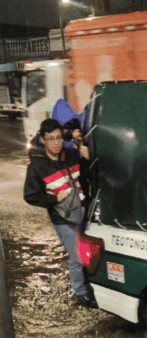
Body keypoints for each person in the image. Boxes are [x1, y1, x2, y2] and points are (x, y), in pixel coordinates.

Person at [23, 119, 97, 309]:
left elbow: (87, 171)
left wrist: (82, 150)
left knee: (87, 250)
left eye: (58, 138)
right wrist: (54, 200)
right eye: (50, 139)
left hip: (82, 210)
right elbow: (30, 196)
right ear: (43, 140)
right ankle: (81, 293)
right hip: (62, 218)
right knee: (76, 256)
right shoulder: (37, 167)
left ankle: (90, 284)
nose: (56, 143)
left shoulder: (70, 155)